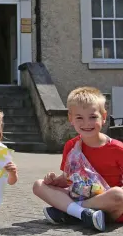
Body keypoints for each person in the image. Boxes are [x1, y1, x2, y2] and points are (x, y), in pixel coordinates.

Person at [32, 87, 123, 232]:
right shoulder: (71, 146)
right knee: (39, 185)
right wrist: (55, 181)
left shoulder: (118, 149)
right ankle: (82, 214)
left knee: (119, 194)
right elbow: (69, 179)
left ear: (104, 117)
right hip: (79, 194)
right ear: (71, 119)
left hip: (109, 206)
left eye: (93, 117)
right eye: (79, 117)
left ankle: (70, 212)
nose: (86, 123)